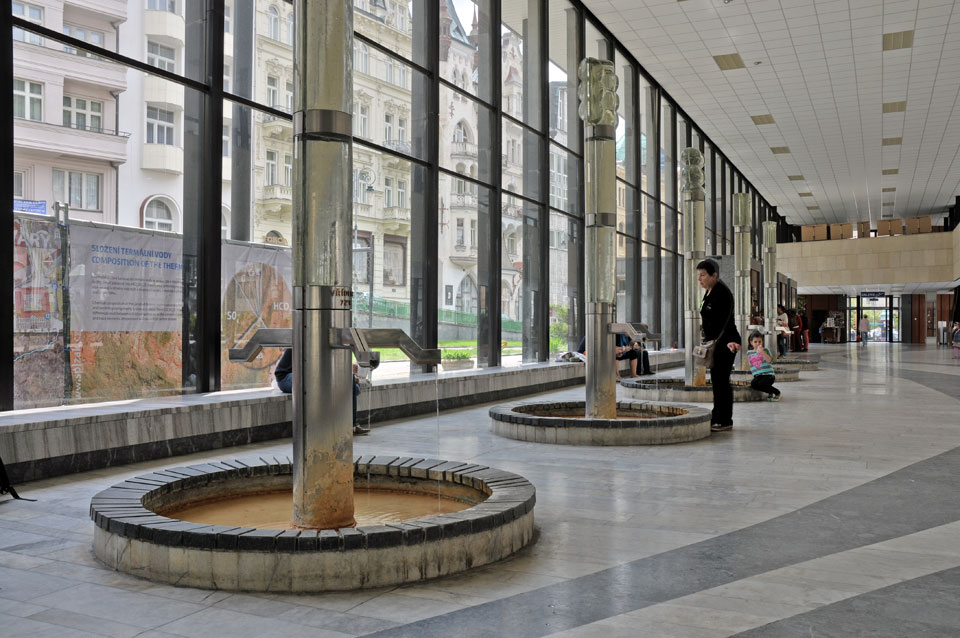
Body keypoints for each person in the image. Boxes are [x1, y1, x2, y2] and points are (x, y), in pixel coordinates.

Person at [274, 348, 370, 435]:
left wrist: (349, 373)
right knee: (315, 381)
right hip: (286, 377)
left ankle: (352, 426)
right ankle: (322, 427)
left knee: (352, 382)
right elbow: (312, 369)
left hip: (307, 375)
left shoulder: (324, 346)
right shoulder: (304, 342)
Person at [697, 259, 741, 432]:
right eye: (698, 276)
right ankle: (718, 415)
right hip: (716, 342)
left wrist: (730, 341)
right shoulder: (709, 291)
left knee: (721, 381)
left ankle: (725, 419)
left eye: (703, 275)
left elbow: (725, 320)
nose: (700, 279)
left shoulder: (721, 292)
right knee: (717, 380)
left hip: (726, 342)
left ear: (714, 275)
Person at [747, 331, 781, 401]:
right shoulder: (749, 353)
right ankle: (770, 392)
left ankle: (777, 392)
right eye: (755, 342)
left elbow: (770, 361)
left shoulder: (766, 350)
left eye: (759, 342)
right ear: (751, 342)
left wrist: (762, 352)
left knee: (762, 383)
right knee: (753, 384)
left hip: (768, 375)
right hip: (758, 375)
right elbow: (752, 365)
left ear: (762, 342)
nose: (757, 344)